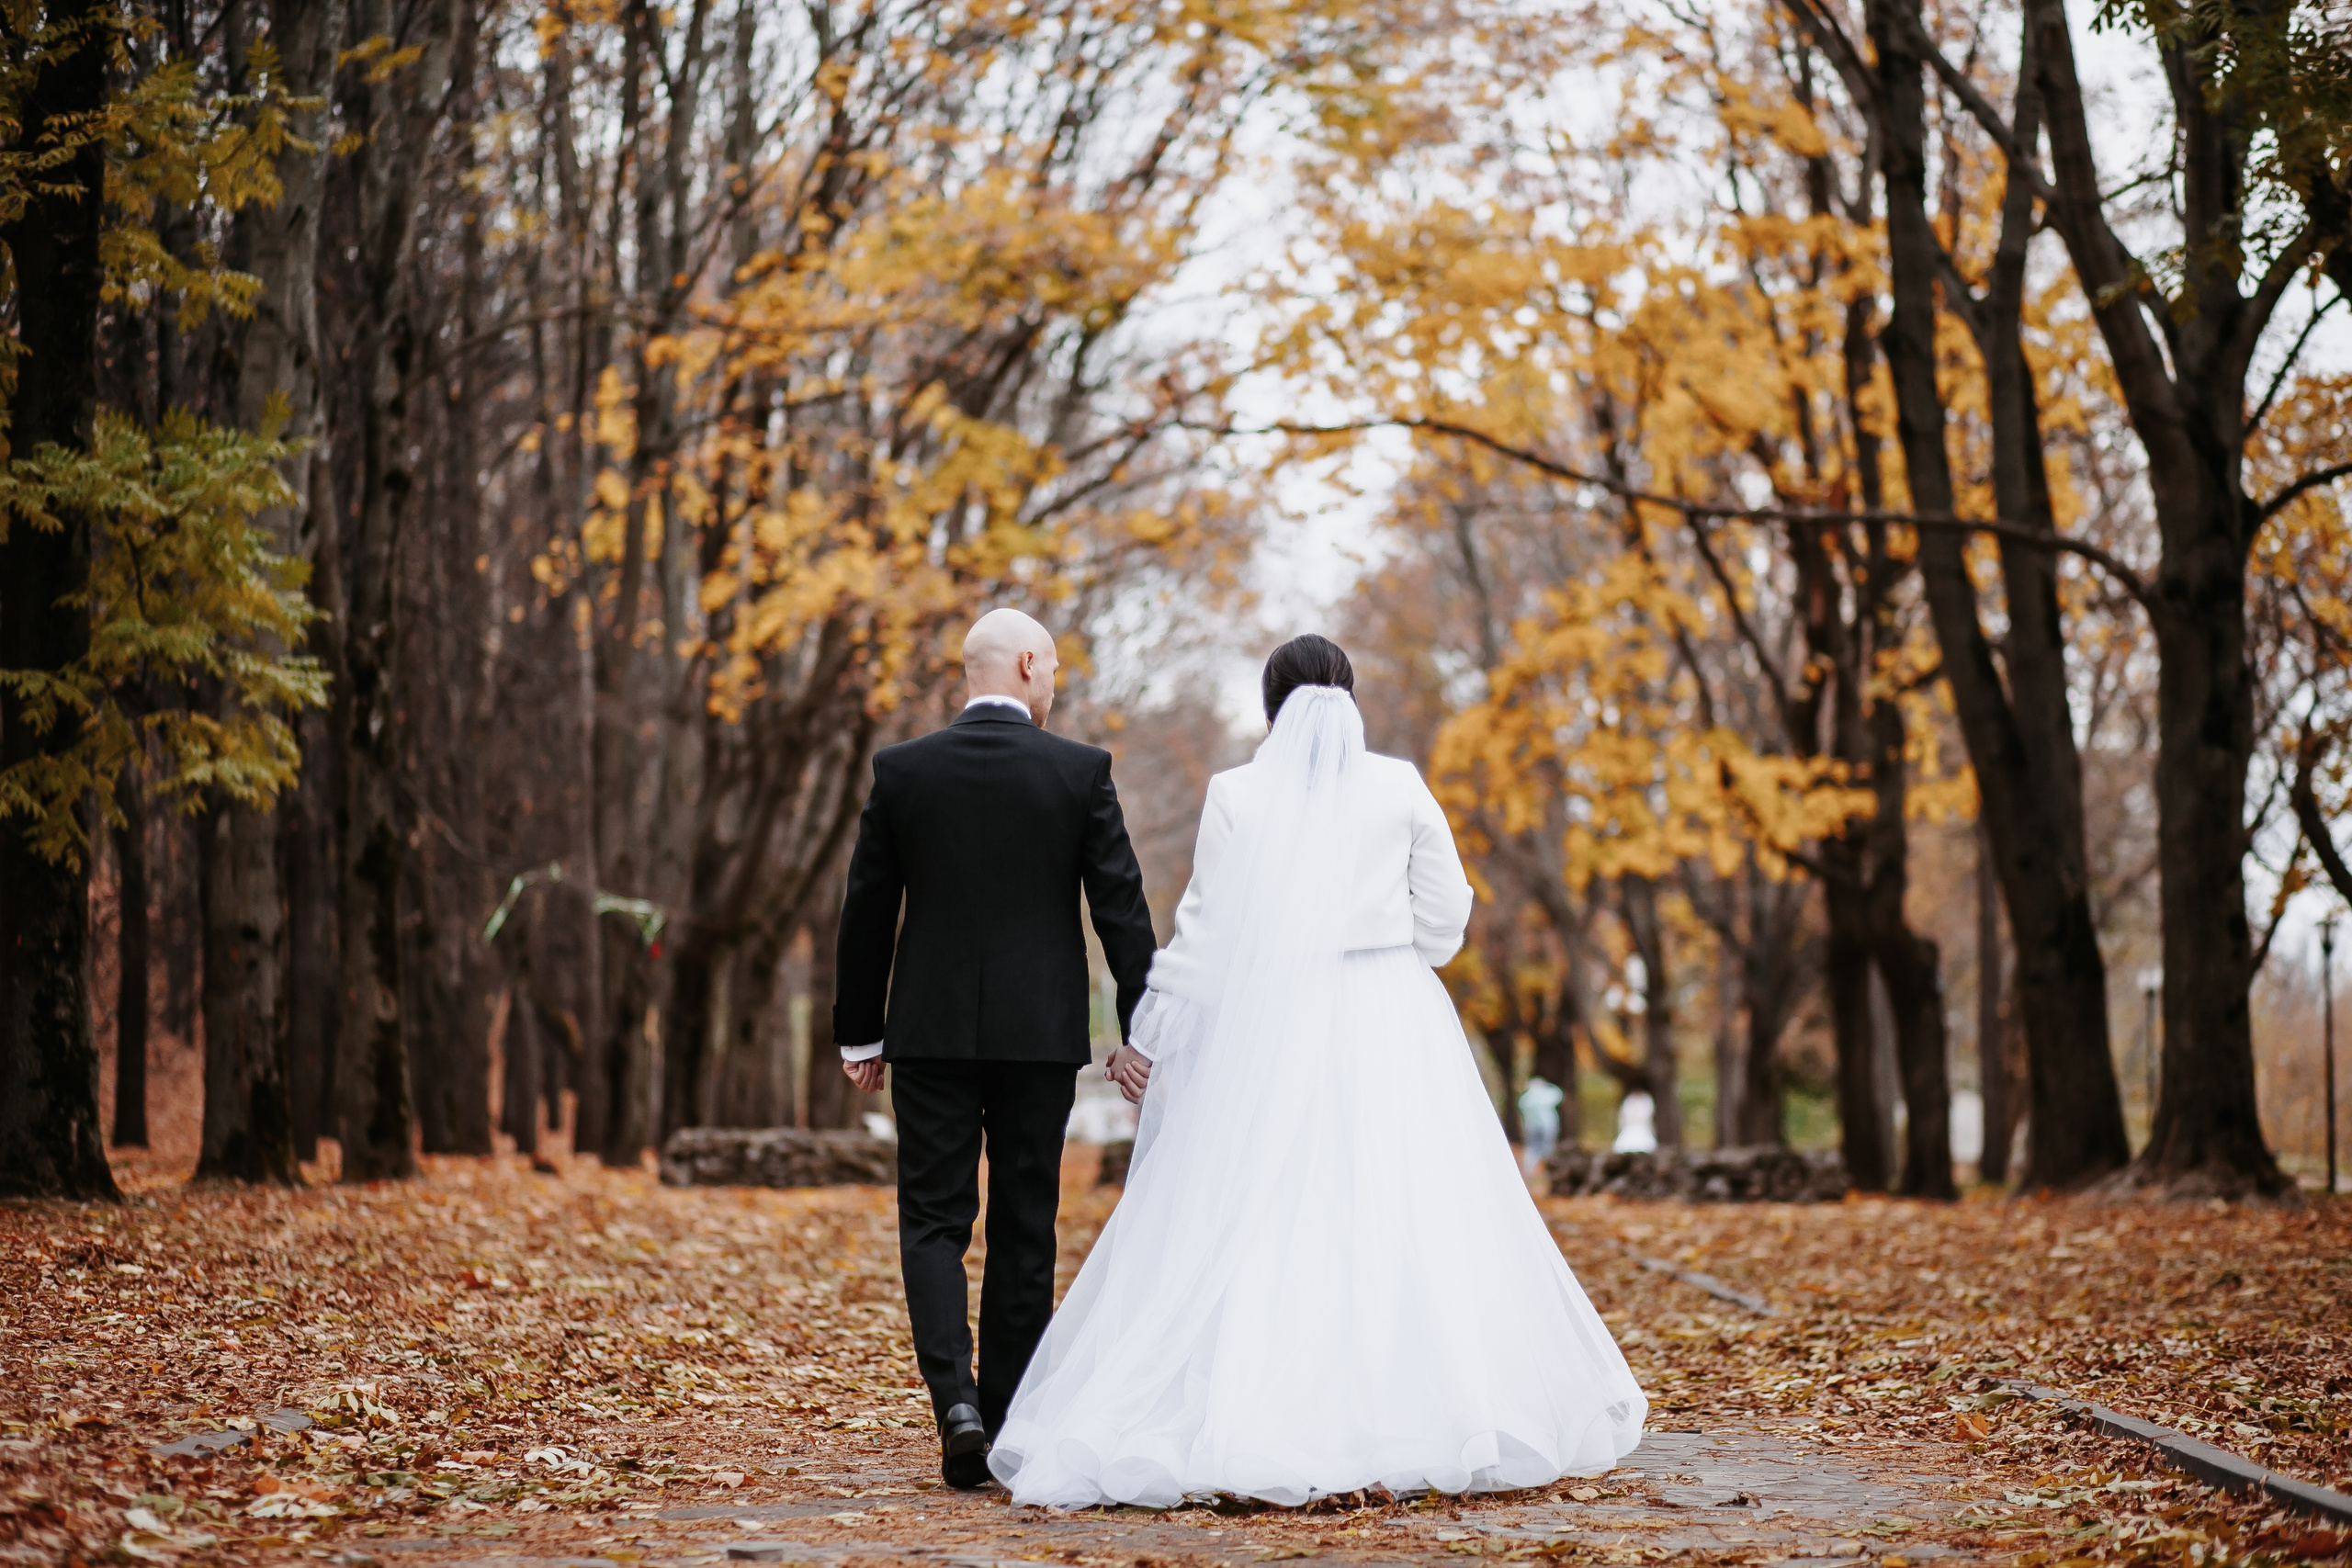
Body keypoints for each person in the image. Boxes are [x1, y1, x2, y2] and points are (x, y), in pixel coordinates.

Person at [988, 635, 1647, 1507]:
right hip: (1389, 1017)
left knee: (1264, 1201)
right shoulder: (1399, 784)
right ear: (1350, 695)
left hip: (1272, 1021)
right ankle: (1421, 1406)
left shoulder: (1236, 793)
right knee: (1402, 1200)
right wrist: (1398, 950)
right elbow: (1449, 916)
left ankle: (1255, 1407)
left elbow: (1207, 932)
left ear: (1270, 709)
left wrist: (1148, 1031)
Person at [831, 607, 1158, 1490]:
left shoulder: (904, 771)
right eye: (1050, 668)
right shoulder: (1079, 771)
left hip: (929, 1033)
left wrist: (860, 1030)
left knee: (934, 1220)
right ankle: (1007, 1417)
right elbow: (1119, 908)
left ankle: (956, 1406)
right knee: (1024, 1224)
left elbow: (867, 908)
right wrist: (1144, 1029)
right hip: (1038, 1036)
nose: (1055, 683)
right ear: (1022, 664)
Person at [1518, 1076, 1566, 1174]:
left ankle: (1530, 1170)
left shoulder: (1527, 1098)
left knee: (1532, 1148)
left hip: (1531, 1126)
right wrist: (1548, 1085)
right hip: (1547, 1126)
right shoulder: (1546, 1096)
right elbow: (1559, 1094)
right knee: (1547, 1147)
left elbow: (1521, 1105)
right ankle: (1547, 1169)